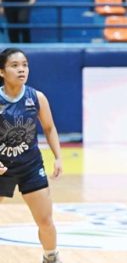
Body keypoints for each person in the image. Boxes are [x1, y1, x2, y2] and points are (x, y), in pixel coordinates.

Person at [0, 48, 63, 263]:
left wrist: (58, 156)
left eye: (25, 65)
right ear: (2, 71)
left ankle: (51, 257)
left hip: (30, 166)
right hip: (1, 168)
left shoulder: (36, 97)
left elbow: (49, 128)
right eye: (15, 65)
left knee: (45, 221)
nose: (21, 69)